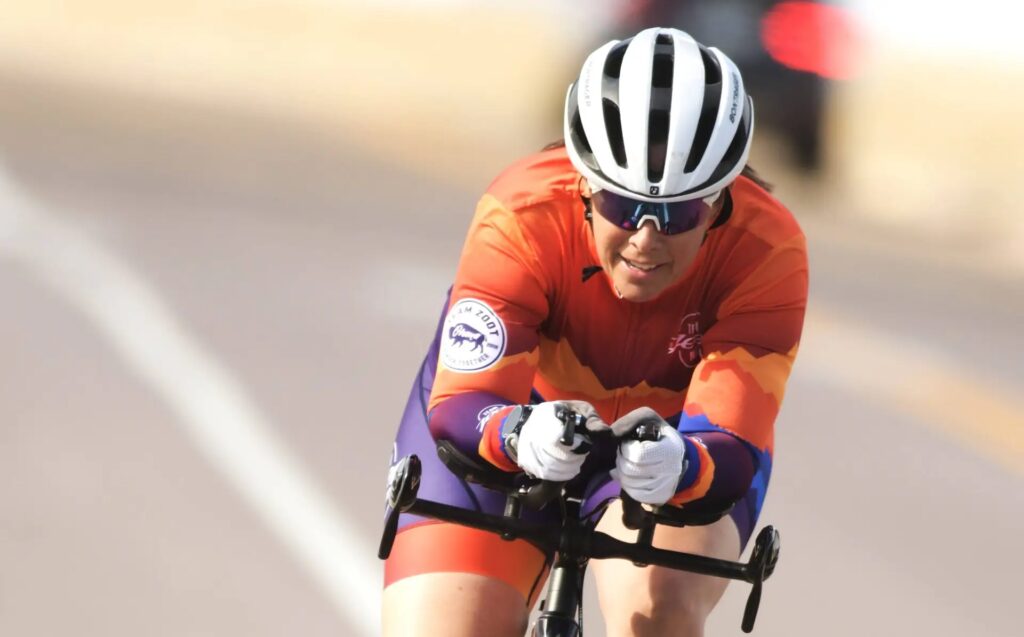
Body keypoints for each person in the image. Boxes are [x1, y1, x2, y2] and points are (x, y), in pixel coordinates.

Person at [382, 27, 808, 637]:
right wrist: (517, 432)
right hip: (509, 416)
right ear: (584, 183)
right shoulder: (522, 213)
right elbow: (464, 405)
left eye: (678, 213)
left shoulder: (768, 252)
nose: (644, 237)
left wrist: (684, 466)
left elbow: (732, 442)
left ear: (717, 203)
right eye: (621, 205)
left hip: (673, 444)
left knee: (658, 612)